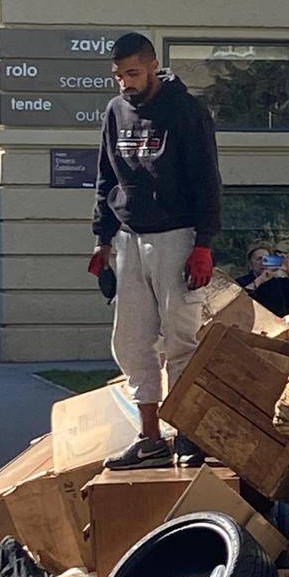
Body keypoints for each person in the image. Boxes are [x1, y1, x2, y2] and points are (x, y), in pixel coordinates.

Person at [92, 31, 221, 470]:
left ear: (151, 66)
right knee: (130, 342)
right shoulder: (115, 112)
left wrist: (203, 244)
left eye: (132, 73)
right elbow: (106, 179)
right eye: (118, 75)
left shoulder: (185, 110)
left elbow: (208, 181)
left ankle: (187, 434)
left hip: (177, 236)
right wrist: (102, 239)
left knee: (181, 339)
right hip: (128, 238)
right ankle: (148, 439)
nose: (125, 83)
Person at [236, 246, 289, 319]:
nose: (263, 262)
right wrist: (261, 280)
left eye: (266, 259)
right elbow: (239, 299)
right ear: (250, 264)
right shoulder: (242, 281)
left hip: (277, 324)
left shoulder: (280, 282)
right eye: (259, 259)